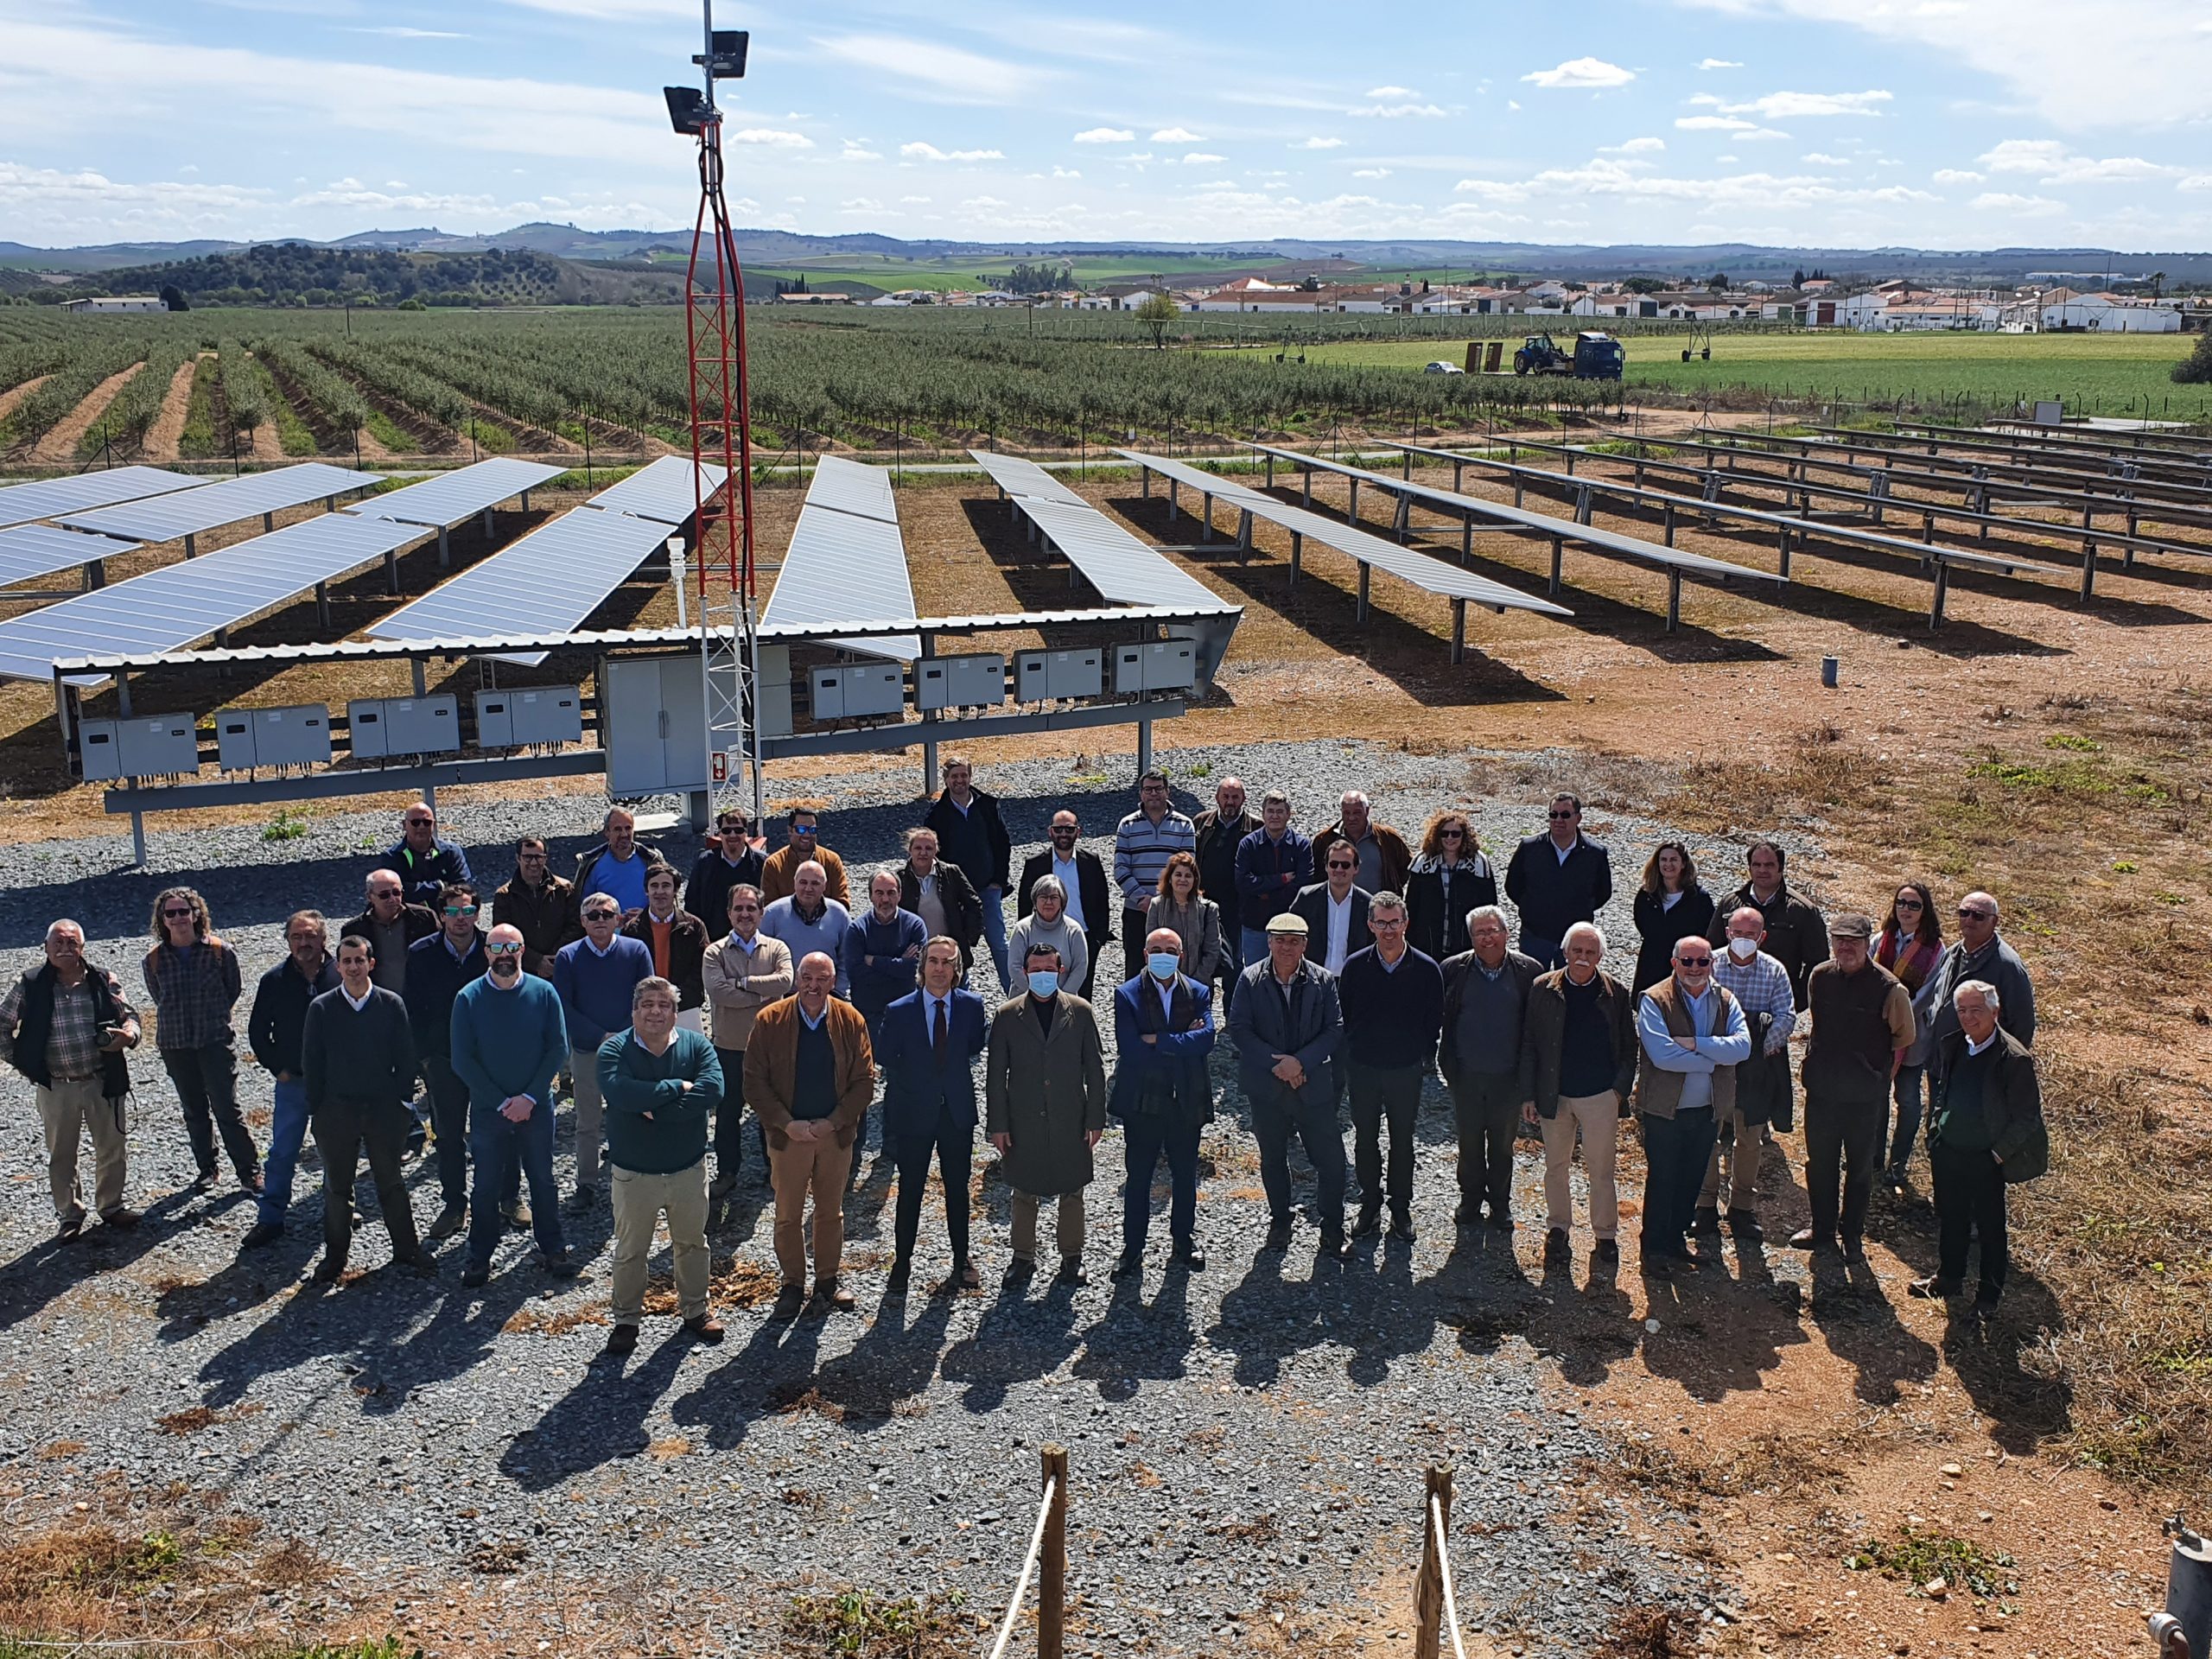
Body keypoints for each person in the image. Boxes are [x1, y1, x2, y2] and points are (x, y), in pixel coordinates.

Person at [596, 976, 725, 1357]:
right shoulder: (614, 1050)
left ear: (674, 1012)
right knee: (631, 1250)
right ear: (634, 1011)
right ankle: (626, 1320)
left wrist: (654, 1109)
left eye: (664, 1005)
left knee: (692, 1243)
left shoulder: (697, 1045)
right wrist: (676, 1087)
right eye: (647, 1004)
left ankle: (696, 1310)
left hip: (687, 1168)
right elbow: (619, 1091)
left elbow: (714, 1089)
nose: (655, 1011)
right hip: (635, 1173)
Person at [747, 951, 874, 1316]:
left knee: (830, 1212)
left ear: (833, 982)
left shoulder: (851, 1020)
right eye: (807, 977)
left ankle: (828, 1281)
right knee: (787, 1213)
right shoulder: (770, 1020)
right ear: (796, 979)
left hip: (834, 1135)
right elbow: (754, 1082)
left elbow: (865, 1080)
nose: (813, 986)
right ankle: (791, 1284)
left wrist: (834, 1121)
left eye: (821, 979)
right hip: (789, 1137)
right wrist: (787, 1124)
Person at [1910, 979, 2046, 1318]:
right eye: (1962, 1010)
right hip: (1950, 1150)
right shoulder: (1954, 1043)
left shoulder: (2013, 1057)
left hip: (1986, 1159)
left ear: (1995, 1012)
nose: (1968, 1017)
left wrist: (1997, 1154)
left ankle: (1988, 1296)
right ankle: (1949, 1278)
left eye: (1976, 1010)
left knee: (1989, 1229)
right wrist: (1935, 1132)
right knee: (1951, 1218)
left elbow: (2027, 1117)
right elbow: (1943, 1091)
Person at [301, 933, 431, 1283]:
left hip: (383, 1110)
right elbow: (312, 1061)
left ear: (371, 964)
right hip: (336, 1111)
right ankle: (335, 1256)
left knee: (390, 1181)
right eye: (347, 961)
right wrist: (319, 1108)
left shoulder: (391, 1004)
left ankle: (406, 1248)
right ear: (338, 966)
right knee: (338, 1186)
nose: (354, 967)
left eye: (360, 960)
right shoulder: (322, 1007)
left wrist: (402, 1100)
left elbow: (406, 1056)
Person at [451, 924, 574, 1287]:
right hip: (491, 1111)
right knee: (486, 1185)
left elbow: (557, 1048)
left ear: (522, 951)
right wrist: (503, 1102)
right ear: (486, 952)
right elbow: (462, 1060)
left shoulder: (545, 992)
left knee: (543, 1179)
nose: (505, 955)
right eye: (497, 948)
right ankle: (479, 1256)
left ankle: (553, 1247)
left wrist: (530, 1098)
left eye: (512, 948)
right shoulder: (468, 998)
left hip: (537, 1108)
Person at [1, 920, 140, 1239]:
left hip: (103, 1079)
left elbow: (130, 1016)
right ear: (46, 948)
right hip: (56, 1084)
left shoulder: (102, 979)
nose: (65, 949)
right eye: (59, 943)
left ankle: (111, 1207)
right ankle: (70, 1214)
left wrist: (129, 1036)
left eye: (72, 943)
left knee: (112, 1147)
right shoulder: (31, 984)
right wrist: (23, 1062)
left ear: (82, 948)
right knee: (62, 1153)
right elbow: (2, 1025)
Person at [1791, 914, 1914, 1266]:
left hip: (1864, 1097)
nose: (1845, 948)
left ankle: (1853, 1235)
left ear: (1867, 945)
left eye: (1854, 941)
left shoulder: (1890, 989)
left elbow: (1904, 1037)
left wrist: (1877, 1078)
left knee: (1860, 1168)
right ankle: (1822, 1229)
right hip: (1823, 1090)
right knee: (1820, 1163)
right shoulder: (1820, 977)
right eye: (1839, 940)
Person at [986, 941, 1108, 1287]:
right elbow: (995, 1076)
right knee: (1023, 1191)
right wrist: (998, 1125)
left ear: (1061, 971)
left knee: (1073, 1191)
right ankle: (1022, 1258)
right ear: (1025, 973)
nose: (1042, 975)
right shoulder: (1007, 1015)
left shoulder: (1081, 1011)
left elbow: (1095, 1070)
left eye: (1049, 970)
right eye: (1036, 970)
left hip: (1070, 1115)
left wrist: (1095, 1119)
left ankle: (1072, 1258)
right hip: (1023, 1119)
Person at [1227, 912, 1347, 1258]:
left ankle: (1332, 1228)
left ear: (1305, 945)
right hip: (1268, 1088)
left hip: (1313, 1085)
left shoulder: (1323, 981)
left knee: (1332, 1160)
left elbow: (1334, 1029)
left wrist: (1301, 1062)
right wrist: (1278, 1064)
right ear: (1268, 942)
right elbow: (1239, 1029)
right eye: (1279, 940)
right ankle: (1280, 1221)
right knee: (1273, 1158)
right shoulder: (1250, 979)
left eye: (1294, 941)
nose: (1286, 947)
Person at [877, 937, 988, 1297]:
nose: (940, 968)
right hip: (914, 1113)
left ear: (957, 970)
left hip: (955, 1111)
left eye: (948, 962)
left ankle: (961, 1259)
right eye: (934, 961)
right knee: (910, 1189)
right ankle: (902, 1263)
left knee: (958, 1189)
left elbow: (973, 1047)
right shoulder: (899, 1010)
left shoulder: (972, 1006)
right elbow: (887, 1056)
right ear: (922, 967)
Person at [1520, 923, 1637, 1263]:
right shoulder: (1542, 988)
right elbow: (1529, 1043)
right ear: (1565, 952)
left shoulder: (1616, 992)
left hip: (1600, 1096)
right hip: (1554, 1095)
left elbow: (1630, 1046)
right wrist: (1529, 1094)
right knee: (1555, 1166)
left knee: (1601, 1170)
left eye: (1589, 952)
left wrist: (1618, 1091)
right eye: (1577, 951)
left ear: (1600, 956)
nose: (1582, 958)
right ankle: (1558, 1230)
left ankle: (1605, 1236)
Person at [1634, 937, 1751, 1273]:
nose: (1695, 968)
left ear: (1712, 964)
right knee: (1663, 1178)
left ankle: (1674, 1241)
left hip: (1707, 1110)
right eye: (1687, 961)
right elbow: (1662, 1056)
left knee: (1691, 1177)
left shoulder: (1726, 999)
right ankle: (1653, 1250)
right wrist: (1714, 1059)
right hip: (1664, 1110)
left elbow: (1742, 1048)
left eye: (1702, 962)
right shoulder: (1654, 999)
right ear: (1674, 963)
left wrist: (1695, 1044)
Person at [1109, 926, 1217, 1278]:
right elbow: (1131, 1048)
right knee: (1138, 1177)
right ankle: (1132, 1249)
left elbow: (1207, 1039)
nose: (1163, 955)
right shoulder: (1127, 994)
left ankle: (1183, 1242)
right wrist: (1181, 1040)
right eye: (1155, 948)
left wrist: (1159, 1038)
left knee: (1185, 1175)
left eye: (1170, 949)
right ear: (1144, 954)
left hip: (1185, 1098)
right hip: (1143, 1100)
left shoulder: (1200, 991)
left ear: (1181, 955)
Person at [1336, 893, 1442, 1244]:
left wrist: (1417, 1053)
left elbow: (1434, 1020)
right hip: (1364, 1067)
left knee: (1403, 1140)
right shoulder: (1354, 966)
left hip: (1404, 1069)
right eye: (1381, 922)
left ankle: (1400, 1207)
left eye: (1394, 922)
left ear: (1406, 923)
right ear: (1370, 925)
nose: (1388, 929)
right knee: (1365, 1140)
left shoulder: (1427, 968)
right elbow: (1345, 1014)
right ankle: (1369, 1205)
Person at [143, 887, 260, 1198]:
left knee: (227, 1109)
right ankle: (207, 1170)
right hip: (176, 1045)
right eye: (171, 913)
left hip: (215, 1042)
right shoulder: (153, 960)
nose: (179, 918)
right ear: (162, 920)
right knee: (193, 1110)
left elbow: (231, 991)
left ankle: (249, 1172)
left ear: (197, 914)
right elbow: (159, 998)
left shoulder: (221, 952)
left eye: (184, 911)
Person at [1437, 906, 1541, 1232]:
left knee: (1501, 1145)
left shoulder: (1529, 971)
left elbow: (1535, 1029)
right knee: (1468, 1142)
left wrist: (1529, 1082)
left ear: (1507, 933)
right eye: (1480, 932)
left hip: (1507, 1079)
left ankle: (1500, 1204)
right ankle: (1469, 1200)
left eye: (1493, 930)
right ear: (1471, 938)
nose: (1487, 937)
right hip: (1466, 1075)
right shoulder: (1453, 969)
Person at [241, 910, 339, 1249]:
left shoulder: (342, 973)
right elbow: (257, 1032)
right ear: (287, 941)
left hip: (335, 1083)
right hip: (293, 1082)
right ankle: (270, 1218)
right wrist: (277, 1068)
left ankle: (339, 1212)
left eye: (310, 936)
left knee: (336, 1150)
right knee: (282, 1152)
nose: (304, 943)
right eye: (297, 937)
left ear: (324, 939)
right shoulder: (275, 980)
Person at [553, 893, 654, 1213]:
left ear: (618, 919)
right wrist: (600, 1036)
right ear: (582, 921)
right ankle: (587, 1183)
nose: (600, 920)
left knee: (631, 1114)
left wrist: (623, 1034)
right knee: (587, 1120)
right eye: (593, 915)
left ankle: (635, 1178)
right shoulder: (568, 956)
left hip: (629, 1048)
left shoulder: (636, 950)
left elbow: (646, 997)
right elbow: (563, 1006)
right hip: (586, 1050)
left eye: (607, 914)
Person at [1700, 906, 1798, 1239]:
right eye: (1737, 933)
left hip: (1757, 1066)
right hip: (1713, 1065)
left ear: (1762, 937)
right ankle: (1705, 1206)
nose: (1742, 939)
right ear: (1727, 932)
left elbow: (1786, 1016)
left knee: (1749, 1140)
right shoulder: (1707, 963)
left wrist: (1753, 1049)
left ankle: (1741, 1207)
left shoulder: (1774, 971)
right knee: (1708, 1135)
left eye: (1750, 935)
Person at [404, 882, 490, 1242]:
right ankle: (455, 1205)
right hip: (443, 1060)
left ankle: (502, 1200)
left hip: (489, 1059)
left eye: (467, 911)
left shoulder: (493, 948)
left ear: (477, 914)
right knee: (449, 1137)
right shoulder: (421, 953)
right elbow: (413, 1007)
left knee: (493, 1134)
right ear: (441, 916)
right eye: (452, 912)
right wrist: (425, 1056)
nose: (460, 919)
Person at [699, 885, 793, 1199]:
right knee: (728, 1114)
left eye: (751, 908)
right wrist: (762, 994)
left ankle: (775, 1168)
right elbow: (718, 993)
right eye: (738, 908)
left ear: (761, 913)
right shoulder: (714, 952)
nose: (745, 914)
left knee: (773, 1112)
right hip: (729, 1047)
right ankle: (727, 1172)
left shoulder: (778, 948)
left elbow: (785, 981)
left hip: (770, 1048)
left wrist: (742, 983)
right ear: (729, 913)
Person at [1876, 880, 1944, 1190]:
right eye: (1901, 903)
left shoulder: (1936, 950)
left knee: (1908, 1101)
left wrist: (1897, 1017)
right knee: (1876, 1099)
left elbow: (1927, 995)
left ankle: (1899, 1162)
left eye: (1914, 905)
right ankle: (1873, 1157)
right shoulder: (1881, 940)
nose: (1906, 909)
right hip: (1876, 1034)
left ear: (1924, 911)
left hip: (1913, 1037)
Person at [924, 757, 1014, 991]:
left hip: (988, 889)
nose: (959, 781)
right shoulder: (937, 815)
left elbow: (1003, 844)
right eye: (954, 776)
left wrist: (999, 881)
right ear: (945, 780)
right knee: (957, 946)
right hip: (956, 894)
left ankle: (1015, 997)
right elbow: (933, 853)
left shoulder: (988, 806)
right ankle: (960, 997)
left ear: (970, 777)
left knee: (999, 944)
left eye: (963, 775)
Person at [1706, 841, 1827, 1011]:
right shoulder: (1730, 903)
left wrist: (1797, 1000)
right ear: (1749, 868)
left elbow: (1817, 962)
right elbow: (1712, 948)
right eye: (1757, 864)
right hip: (1725, 1003)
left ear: (1781, 868)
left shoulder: (1802, 910)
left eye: (1769, 865)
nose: (1762, 870)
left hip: (1773, 1005)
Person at [1923, 891, 2036, 1071]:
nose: (1969, 920)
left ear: (1994, 921)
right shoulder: (1952, 954)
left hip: (1977, 1069)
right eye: (1964, 913)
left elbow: (2022, 1025)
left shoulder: (2007, 966)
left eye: (1978, 916)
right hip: (1941, 1064)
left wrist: (2001, 1068)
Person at [1503, 792, 1612, 970]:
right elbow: (1513, 885)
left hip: (1575, 938)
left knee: (1571, 987)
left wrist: (1581, 908)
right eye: (1553, 814)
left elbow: (1603, 892)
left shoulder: (1595, 854)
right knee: (1532, 986)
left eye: (1565, 815)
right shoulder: (1530, 848)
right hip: (1535, 933)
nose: (1558, 820)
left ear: (1578, 818)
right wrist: (1531, 907)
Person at [1018, 811, 1112, 999]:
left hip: (1083, 938)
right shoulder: (1035, 864)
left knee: (1082, 994)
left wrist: (1098, 939)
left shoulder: (1091, 861)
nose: (1063, 834)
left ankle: (1079, 1029)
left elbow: (1102, 900)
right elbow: (1024, 905)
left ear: (1078, 832)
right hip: (1043, 939)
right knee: (1043, 994)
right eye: (1058, 829)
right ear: (1049, 832)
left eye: (1069, 829)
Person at [1113, 769, 1197, 963]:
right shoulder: (1127, 825)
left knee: (1173, 964)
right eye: (1148, 789)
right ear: (1141, 793)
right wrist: (1143, 899)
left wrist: (1162, 901)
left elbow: (1186, 869)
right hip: (1136, 909)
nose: (1153, 794)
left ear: (1168, 792)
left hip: (1173, 909)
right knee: (1135, 966)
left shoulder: (1184, 825)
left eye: (1158, 789)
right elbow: (1120, 868)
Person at [1192, 778, 1260, 1014]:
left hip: (1238, 908)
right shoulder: (1201, 822)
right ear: (1217, 798)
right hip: (1205, 906)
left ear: (1244, 799)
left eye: (1235, 797)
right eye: (1226, 796)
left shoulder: (1256, 827)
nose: (1230, 802)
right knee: (1204, 959)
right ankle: (1202, 1012)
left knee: (1235, 964)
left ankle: (1232, 1015)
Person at [623, 867, 709, 1033]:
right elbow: (628, 973)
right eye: (654, 886)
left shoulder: (694, 927)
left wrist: (672, 998)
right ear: (646, 891)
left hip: (685, 1009)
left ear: (676, 890)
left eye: (666, 885)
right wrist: (650, 1001)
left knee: (687, 1058)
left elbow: (701, 970)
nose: (660, 891)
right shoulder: (632, 930)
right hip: (646, 1010)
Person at [1403, 810, 1497, 963]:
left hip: (1465, 943)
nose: (1449, 838)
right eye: (1444, 833)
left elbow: (1490, 906)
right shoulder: (1422, 864)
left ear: (1464, 836)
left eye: (1455, 834)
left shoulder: (1479, 865)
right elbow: (1411, 906)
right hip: (1428, 942)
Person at [1234, 789, 1312, 971]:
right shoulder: (1248, 844)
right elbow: (1243, 883)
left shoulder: (1302, 846)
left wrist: (1263, 893)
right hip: (1255, 925)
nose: (1274, 816)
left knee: (1290, 976)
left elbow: (1303, 884)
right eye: (1270, 811)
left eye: (1279, 811)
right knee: (1255, 977)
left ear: (1288, 815)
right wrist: (1281, 879)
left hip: (1290, 927)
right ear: (1263, 814)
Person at [846, 870, 927, 1045]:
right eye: (879, 893)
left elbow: (915, 969)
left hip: (906, 1011)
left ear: (899, 895)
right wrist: (899, 964)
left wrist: (873, 961)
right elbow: (855, 973)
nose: (885, 899)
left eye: (891, 893)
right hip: (868, 1013)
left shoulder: (914, 925)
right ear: (870, 896)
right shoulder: (857, 930)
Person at [897, 828, 983, 980]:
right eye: (918, 848)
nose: (923, 853)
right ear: (909, 850)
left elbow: (974, 904)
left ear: (936, 850)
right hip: (916, 954)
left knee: (958, 997)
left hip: (950, 950)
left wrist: (968, 937)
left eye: (928, 848)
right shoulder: (899, 878)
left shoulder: (951, 873)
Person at [1632, 842, 1714, 995]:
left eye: (1673, 860)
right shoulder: (1647, 895)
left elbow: (1707, 931)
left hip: (1686, 964)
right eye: (1663, 860)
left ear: (1683, 863)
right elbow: (1641, 924)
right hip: (1651, 961)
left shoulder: (1699, 898)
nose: (1668, 864)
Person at [760, 860, 851, 999]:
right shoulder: (772, 913)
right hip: (783, 997)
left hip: (826, 996)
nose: (808, 888)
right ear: (794, 882)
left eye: (815, 883)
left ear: (824, 886)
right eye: (803, 882)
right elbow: (760, 958)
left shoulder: (839, 914)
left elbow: (847, 957)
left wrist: (838, 991)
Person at [493, 836, 579, 980]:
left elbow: (575, 927)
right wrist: (536, 962)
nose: (533, 862)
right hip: (523, 971)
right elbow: (504, 937)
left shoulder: (564, 889)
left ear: (545, 858)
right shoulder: (504, 896)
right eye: (527, 857)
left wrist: (554, 959)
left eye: (539, 857)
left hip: (561, 966)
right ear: (518, 858)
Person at [341, 871, 436, 996]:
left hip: (421, 998)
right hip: (377, 1002)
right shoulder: (353, 930)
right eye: (384, 895)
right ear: (370, 897)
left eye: (396, 893)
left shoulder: (424, 918)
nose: (392, 899)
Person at [683, 806, 766, 944]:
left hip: (752, 941)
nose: (732, 835)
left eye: (738, 830)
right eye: (727, 831)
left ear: (746, 833)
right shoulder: (705, 863)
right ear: (719, 834)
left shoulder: (761, 863)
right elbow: (692, 902)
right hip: (713, 941)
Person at [573, 806, 671, 921]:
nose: (624, 834)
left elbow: (668, 898)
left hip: (648, 930)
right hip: (608, 935)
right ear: (607, 832)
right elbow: (583, 906)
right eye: (618, 829)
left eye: (628, 828)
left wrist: (646, 915)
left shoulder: (651, 860)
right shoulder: (592, 864)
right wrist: (611, 918)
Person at [1007, 875, 1090, 1008]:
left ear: (1062, 901)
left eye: (1054, 897)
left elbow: (1080, 967)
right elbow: (1014, 967)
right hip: (1025, 1000)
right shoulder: (1022, 929)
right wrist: (1036, 996)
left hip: (1064, 1002)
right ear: (1035, 900)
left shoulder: (1074, 930)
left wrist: (1062, 997)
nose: (1048, 902)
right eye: (1043, 897)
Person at [1143, 850, 1224, 988]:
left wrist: (1196, 982)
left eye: (1188, 876)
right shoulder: (1156, 905)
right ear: (1170, 878)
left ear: (1195, 880)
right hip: (1163, 983)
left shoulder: (1209, 909)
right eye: (1178, 875)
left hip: (1199, 983)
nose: (1183, 880)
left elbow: (1213, 950)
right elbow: (1151, 946)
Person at [1311, 790, 1413, 898]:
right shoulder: (1325, 839)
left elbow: (1407, 865)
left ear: (1367, 811)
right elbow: (1315, 874)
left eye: (1357, 812)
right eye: (1346, 813)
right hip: (1338, 907)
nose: (1351, 818)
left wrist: (1392, 890)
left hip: (1378, 909)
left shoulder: (1387, 838)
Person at [372, 801, 472, 910]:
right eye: (415, 822)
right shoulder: (392, 857)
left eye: (427, 822)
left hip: (447, 916)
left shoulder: (451, 852)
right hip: (409, 920)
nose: (421, 826)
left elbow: (463, 889)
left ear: (434, 825)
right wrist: (440, 886)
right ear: (404, 825)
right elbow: (394, 894)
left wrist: (416, 890)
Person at [1290, 845, 1372, 976]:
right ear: (1326, 867)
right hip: (1312, 978)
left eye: (1345, 865)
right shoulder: (1307, 898)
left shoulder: (1368, 904)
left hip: (1352, 979)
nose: (1339, 869)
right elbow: (1290, 935)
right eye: (1333, 864)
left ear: (1356, 869)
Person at [759, 806, 849, 907]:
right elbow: (769, 907)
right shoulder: (774, 864)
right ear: (790, 830)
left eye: (812, 830)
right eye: (801, 829)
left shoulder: (832, 861)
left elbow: (842, 903)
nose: (807, 834)